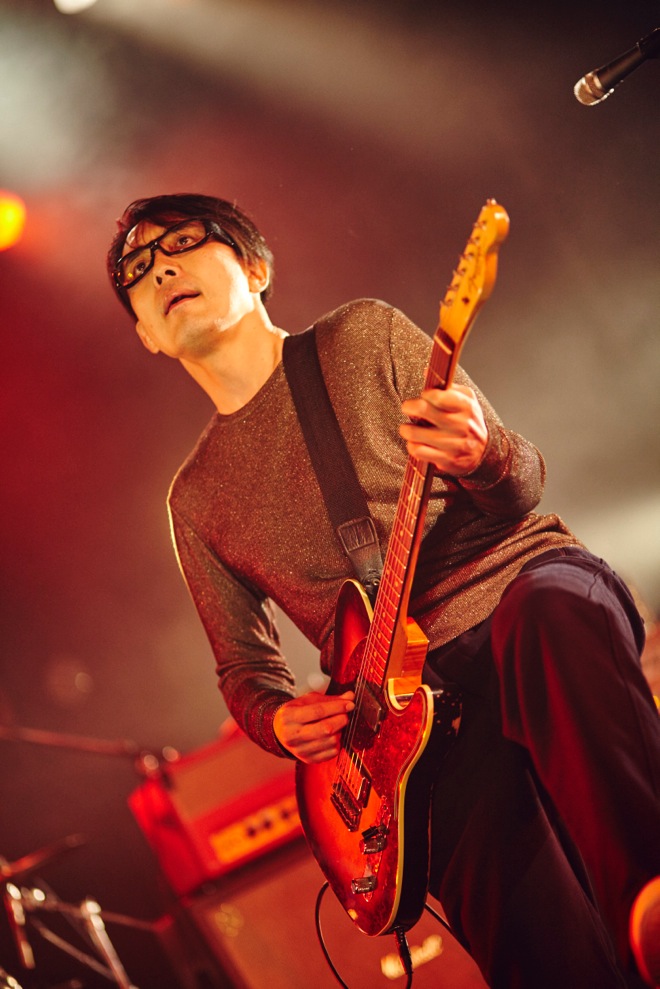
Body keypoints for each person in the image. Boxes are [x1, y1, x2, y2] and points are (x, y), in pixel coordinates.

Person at [107, 193, 660, 989]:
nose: (160, 268)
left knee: (549, 616)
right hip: (404, 721)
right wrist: (278, 719)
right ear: (147, 335)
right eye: (137, 268)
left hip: (513, 585)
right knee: (535, 943)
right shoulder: (195, 500)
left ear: (255, 267)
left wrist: (483, 454)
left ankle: (651, 896)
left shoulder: (362, 335)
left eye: (184, 243)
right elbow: (243, 668)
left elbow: (523, 485)